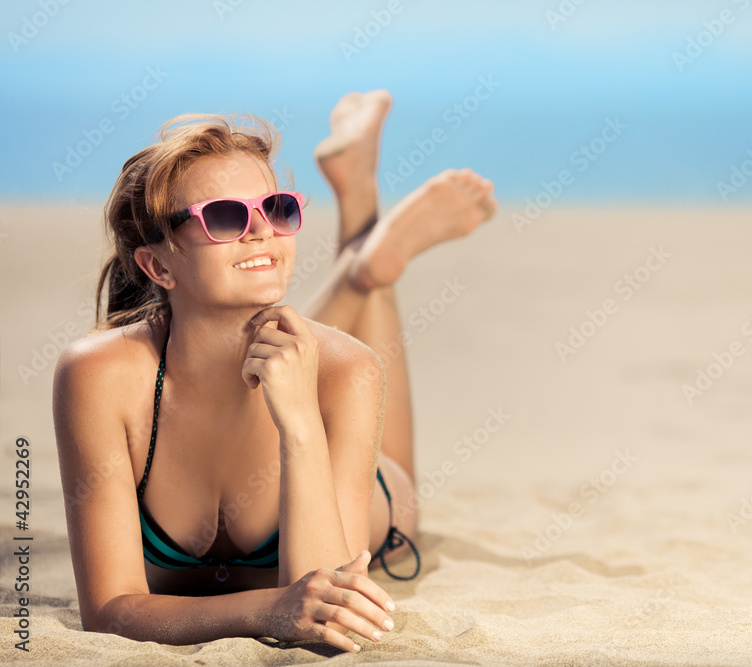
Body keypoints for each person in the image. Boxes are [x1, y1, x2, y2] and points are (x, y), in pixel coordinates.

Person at [52, 90, 497, 652]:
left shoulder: (347, 369)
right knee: (286, 341)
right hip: (257, 361)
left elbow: (328, 617)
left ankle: (367, 262)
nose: (262, 231)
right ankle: (360, 263)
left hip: (373, 490)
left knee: (398, 489)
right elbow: (110, 609)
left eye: (278, 209)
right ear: (157, 264)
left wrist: (301, 425)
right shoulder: (98, 375)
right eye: (225, 217)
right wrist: (271, 608)